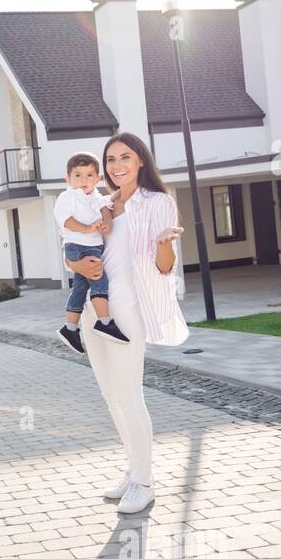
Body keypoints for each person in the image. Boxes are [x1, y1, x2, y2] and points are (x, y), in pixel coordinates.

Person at [66, 133, 187, 515]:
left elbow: (165, 267)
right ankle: (134, 470)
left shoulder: (158, 202)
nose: (117, 166)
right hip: (92, 308)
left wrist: (165, 242)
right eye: (111, 159)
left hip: (128, 308)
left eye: (126, 157)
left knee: (130, 395)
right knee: (111, 396)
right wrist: (73, 264)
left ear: (141, 161)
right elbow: (74, 247)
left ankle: (145, 482)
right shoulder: (99, 203)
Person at [53, 152, 127, 353]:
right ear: (68, 179)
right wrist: (88, 229)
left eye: (89, 175)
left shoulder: (97, 198)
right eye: (78, 175)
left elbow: (105, 213)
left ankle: (70, 328)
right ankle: (104, 322)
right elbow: (66, 220)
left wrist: (105, 224)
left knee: (79, 288)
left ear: (98, 179)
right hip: (78, 245)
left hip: (92, 246)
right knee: (98, 279)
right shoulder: (68, 196)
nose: (84, 180)